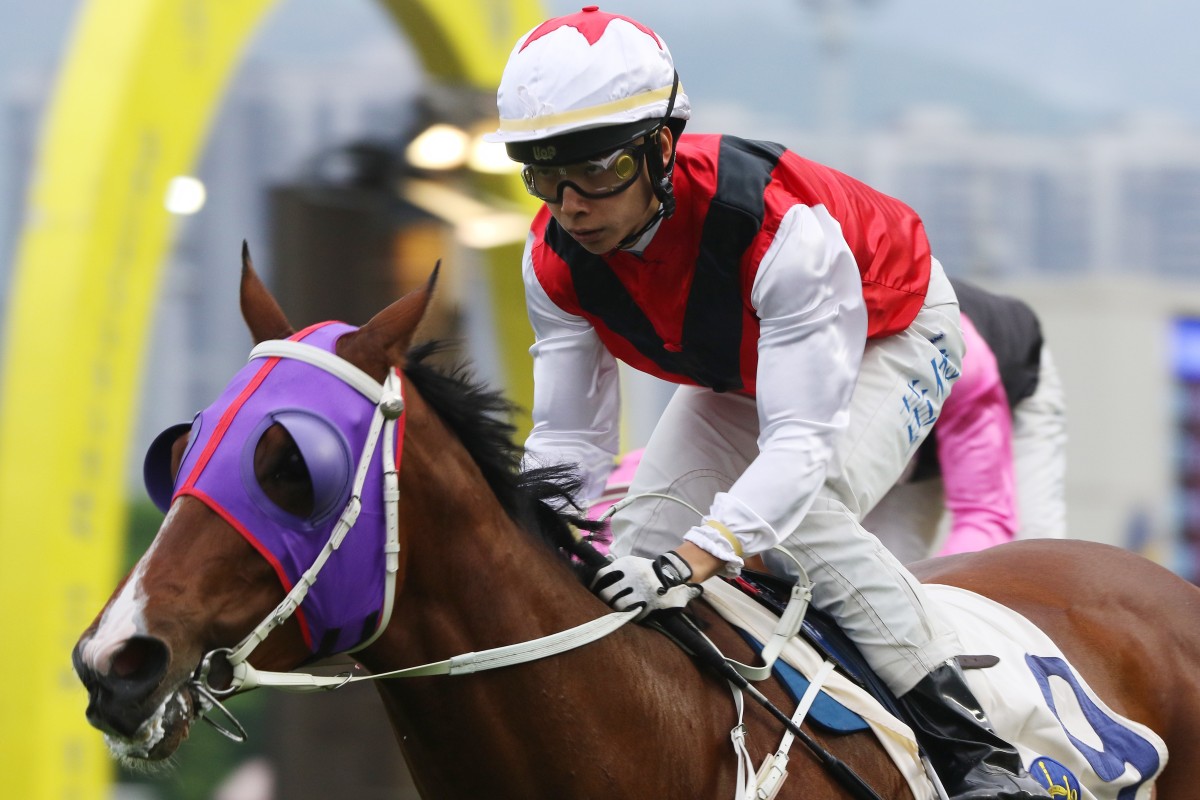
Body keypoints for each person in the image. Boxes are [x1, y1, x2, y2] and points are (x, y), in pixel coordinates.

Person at [486, 7, 1048, 798]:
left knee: (797, 520)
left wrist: (691, 561)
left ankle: (976, 752)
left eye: (598, 170)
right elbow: (570, 444)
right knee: (638, 532)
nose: (571, 204)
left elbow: (798, 448)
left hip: (893, 330)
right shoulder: (551, 260)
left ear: (662, 147)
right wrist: (526, 540)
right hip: (745, 367)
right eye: (545, 176)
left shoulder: (780, 230)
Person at [864, 278, 1068, 564]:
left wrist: (940, 587)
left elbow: (985, 513)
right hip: (908, 412)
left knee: (1028, 557)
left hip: (1005, 389)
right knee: (880, 561)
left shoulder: (956, 361)